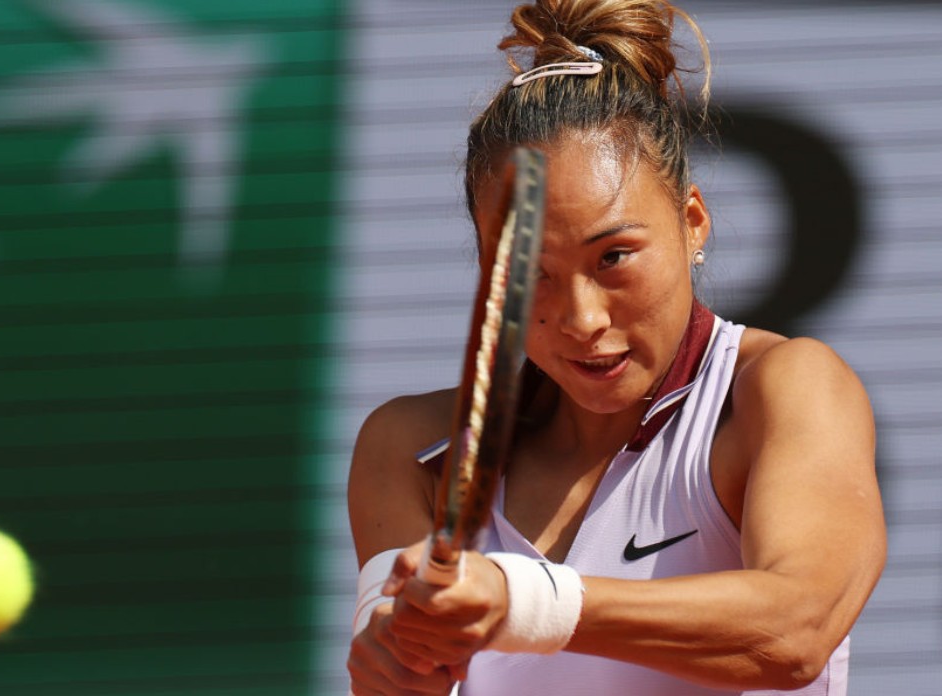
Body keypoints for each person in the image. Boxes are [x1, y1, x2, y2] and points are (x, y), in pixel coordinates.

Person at [345, 0, 887, 694]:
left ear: (693, 222)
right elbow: (400, 671)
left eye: (614, 257)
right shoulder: (409, 450)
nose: (581, 319)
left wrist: (524, 601)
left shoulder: (786, 387)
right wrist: (398, 667)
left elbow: (797, 630)